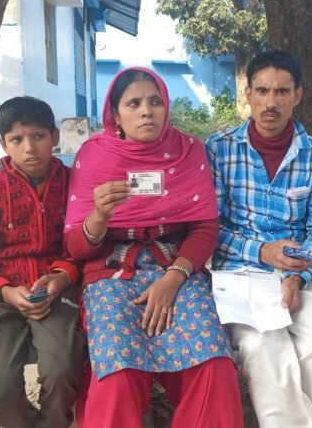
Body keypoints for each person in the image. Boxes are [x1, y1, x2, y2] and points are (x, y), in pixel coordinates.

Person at [64, 67, 243, 427]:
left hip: (177, 267)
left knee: (213, 363)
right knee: (117, 369)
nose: (147, 111)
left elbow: (205, 227)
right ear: (116, 115)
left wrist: (174, 278)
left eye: (155, 102)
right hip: (111, 273)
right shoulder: (94, 157)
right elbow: (77, 248)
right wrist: (99, 216)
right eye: (134, 103)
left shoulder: (187, 151)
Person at [205, 50, 312, 428]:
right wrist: (262, 251)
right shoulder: (219, 149)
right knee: (262, 348)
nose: (271, 102)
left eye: (282, 92)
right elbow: (209, 229)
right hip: (240, 274)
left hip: (299, 274)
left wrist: (298, 275)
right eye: (262, 91)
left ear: (297, 95)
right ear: (248, 93)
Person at [0, 96, 85, 428]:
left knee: (63, 367)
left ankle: (54, 424)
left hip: (55, 291)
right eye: (17, 139)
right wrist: (6, 291)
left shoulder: (74, 184)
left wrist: (61, 277)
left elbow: (82, 246)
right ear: (3, 144)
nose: (29, 148)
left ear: (55, 137)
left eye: (38, 136)